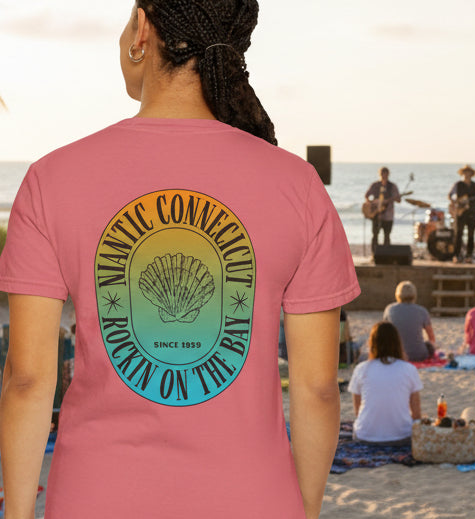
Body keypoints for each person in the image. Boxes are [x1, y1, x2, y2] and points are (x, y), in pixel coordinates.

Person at [0, 3, 360, 518]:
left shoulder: (52, 179)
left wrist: (16, 513)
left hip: (96, 498)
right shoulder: (297, 185)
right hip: (251, 500)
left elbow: (28, 381)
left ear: (142, 29)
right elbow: (318, 388)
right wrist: (299, 508)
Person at [348, 322, 423, 445]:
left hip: (365, 435)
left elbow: (358, 411)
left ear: (372, 343)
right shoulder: (409, 369)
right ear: (398, 343)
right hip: (401, 436)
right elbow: (416, 413)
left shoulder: (362, 369)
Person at [383, 281, 436, 361]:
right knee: (429, 346)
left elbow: (384, 333)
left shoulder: (390, 309)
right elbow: (431, 337)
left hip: (396, 354)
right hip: (419, 355)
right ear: (414, 295)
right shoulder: (422, 311)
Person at [448, 164, 475, 263]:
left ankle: (469, 256)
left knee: (471, 235)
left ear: (471, 174)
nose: (467, 174)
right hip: (460, 213)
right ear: (462, 173)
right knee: (458, 234)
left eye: (468, 172)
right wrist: (454, 203)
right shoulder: (457, 184)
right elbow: (450, 195)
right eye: (465, 172)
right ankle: (456, 255)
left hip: (471, 213)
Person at [364, 166, 401, 253]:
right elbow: (367, 196)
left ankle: (386, 255)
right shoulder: (375, 185)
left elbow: (399, 200)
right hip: (377, 215)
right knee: (375, 235)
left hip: (388, 215)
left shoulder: (392, 186)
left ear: (388, 175)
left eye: (385, 174)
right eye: (382, 174)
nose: (383, 176)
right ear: (379, 174)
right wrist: (372, 204)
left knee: (387, 235)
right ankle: (374, 254)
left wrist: (394, 198)